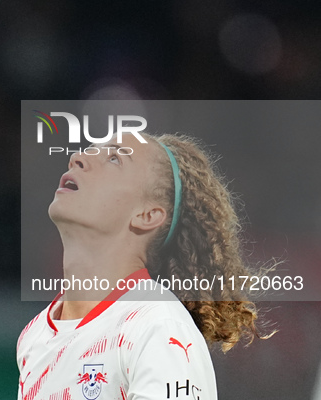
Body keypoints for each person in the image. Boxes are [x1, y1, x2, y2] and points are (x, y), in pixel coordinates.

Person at [17, 133, 272, 400]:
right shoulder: (34, 337)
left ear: (147, 215)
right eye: (87, 150)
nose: (77, 158)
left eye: (115, 159)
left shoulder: (158, 326)